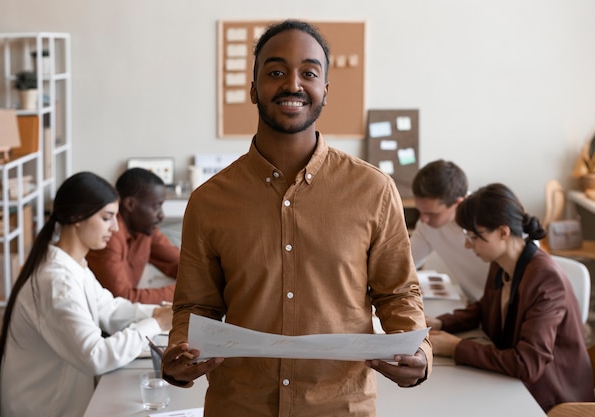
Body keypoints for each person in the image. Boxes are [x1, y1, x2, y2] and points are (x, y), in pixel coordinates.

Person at [161, 19, 431, 417]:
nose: (292, 84)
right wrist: (180, 356)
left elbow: (397, 293)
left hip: (341, 406)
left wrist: (418, 353)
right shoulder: (209, 200)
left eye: (308, 73)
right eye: (275, 72)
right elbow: (195, 307)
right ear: (253, 89)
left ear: (325, 90)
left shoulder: (373, 190)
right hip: (239, 406)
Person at [0, 172, 173, 417]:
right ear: (76, 217)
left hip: (65, 400)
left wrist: (161, 313)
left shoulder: (74, 265)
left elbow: (110, 309)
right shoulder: (56, 280)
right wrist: (156, 323)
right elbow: (96, 356)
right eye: (107, 218)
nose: (114, 227)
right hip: (45, 409)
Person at [427, 183, 595, 412]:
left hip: (552, 400)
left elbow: (527, 364)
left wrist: (456, 347)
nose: (467, 244)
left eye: (474, 236)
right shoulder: (501, 263)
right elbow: (484, 308)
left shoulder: (547, 280)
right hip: (514, 385)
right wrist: (440, 322)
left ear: (503, 232)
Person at [86, 167, 180, 304]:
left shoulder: (145, 229)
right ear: (130, 204)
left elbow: (180, 265)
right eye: (156, 206)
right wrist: (183, 292)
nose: (162, 215)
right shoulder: (109, 235)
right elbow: (123, 298)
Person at [410, 159, 487, 302]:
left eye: (432, 214)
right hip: (474, 307)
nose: (423, 219)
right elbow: (404, 263)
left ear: (458, 203)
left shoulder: (488, 218)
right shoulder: (426, 224)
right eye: (420, 211)